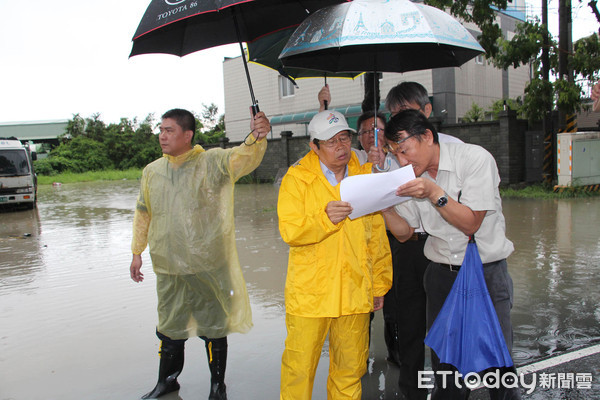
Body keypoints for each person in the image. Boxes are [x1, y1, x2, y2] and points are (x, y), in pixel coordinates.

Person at [129, 108, 271, 400]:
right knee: (170, 326)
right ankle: (167, 382)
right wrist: (136, 252)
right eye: (161, 129)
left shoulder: (211, 162)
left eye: (169, 130)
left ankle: (217, 386)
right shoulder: (152, 171)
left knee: (214, 326)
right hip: (169, 266)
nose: (162, 135)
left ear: (187, 135)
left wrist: (257, 136)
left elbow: (242, 158)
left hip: (208, 264)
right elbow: (143, 213)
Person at [381, 109, 520, 400]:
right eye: (394, 154)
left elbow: (471, 222)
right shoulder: (408, 177)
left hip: (486, 272)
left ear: (427, 136)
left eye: (404, 150)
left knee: (498, 362)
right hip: (441, 275)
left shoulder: (474, 159)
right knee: (446, 365)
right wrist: (383, 207)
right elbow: (405, 233)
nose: (402, 161)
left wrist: (434, 193)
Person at [277, 110, 393, 399]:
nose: (341, 146)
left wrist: (379, 283)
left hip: (354, 291)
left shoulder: (366, 174)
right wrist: (324, 219)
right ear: (314, 146)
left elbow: (376, 234)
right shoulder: (297, 179)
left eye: (345, 138)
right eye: (331, 141)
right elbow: (290, 231)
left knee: (350, 371)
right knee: (299, 371)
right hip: (310, 296)